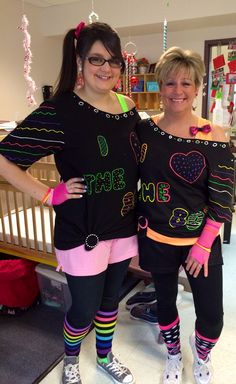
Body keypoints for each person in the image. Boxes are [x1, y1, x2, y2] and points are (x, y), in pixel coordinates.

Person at [0, 22, 141, 384]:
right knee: (83, 308)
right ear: (79, 60)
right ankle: (72, 357)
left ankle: (106, 356)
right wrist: (48, 194)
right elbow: (5, 158)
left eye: (113, 60)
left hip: (123, 225)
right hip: (82, 230)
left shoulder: (128, 108)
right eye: (96, 58)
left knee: (111, 303)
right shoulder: (59, 110)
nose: (106, 68)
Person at [136, 46, 234, 384]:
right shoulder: (144, 131)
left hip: (200, 243)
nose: (178, 91)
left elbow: (223, 196)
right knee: (165, 304)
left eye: (186, 84)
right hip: (157, 237)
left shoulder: (214, 136)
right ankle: (174, 355)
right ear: (160, 86)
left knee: (211, 317)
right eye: (171, 83)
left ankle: (201, 354)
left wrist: (205, 243)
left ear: (197, 88)